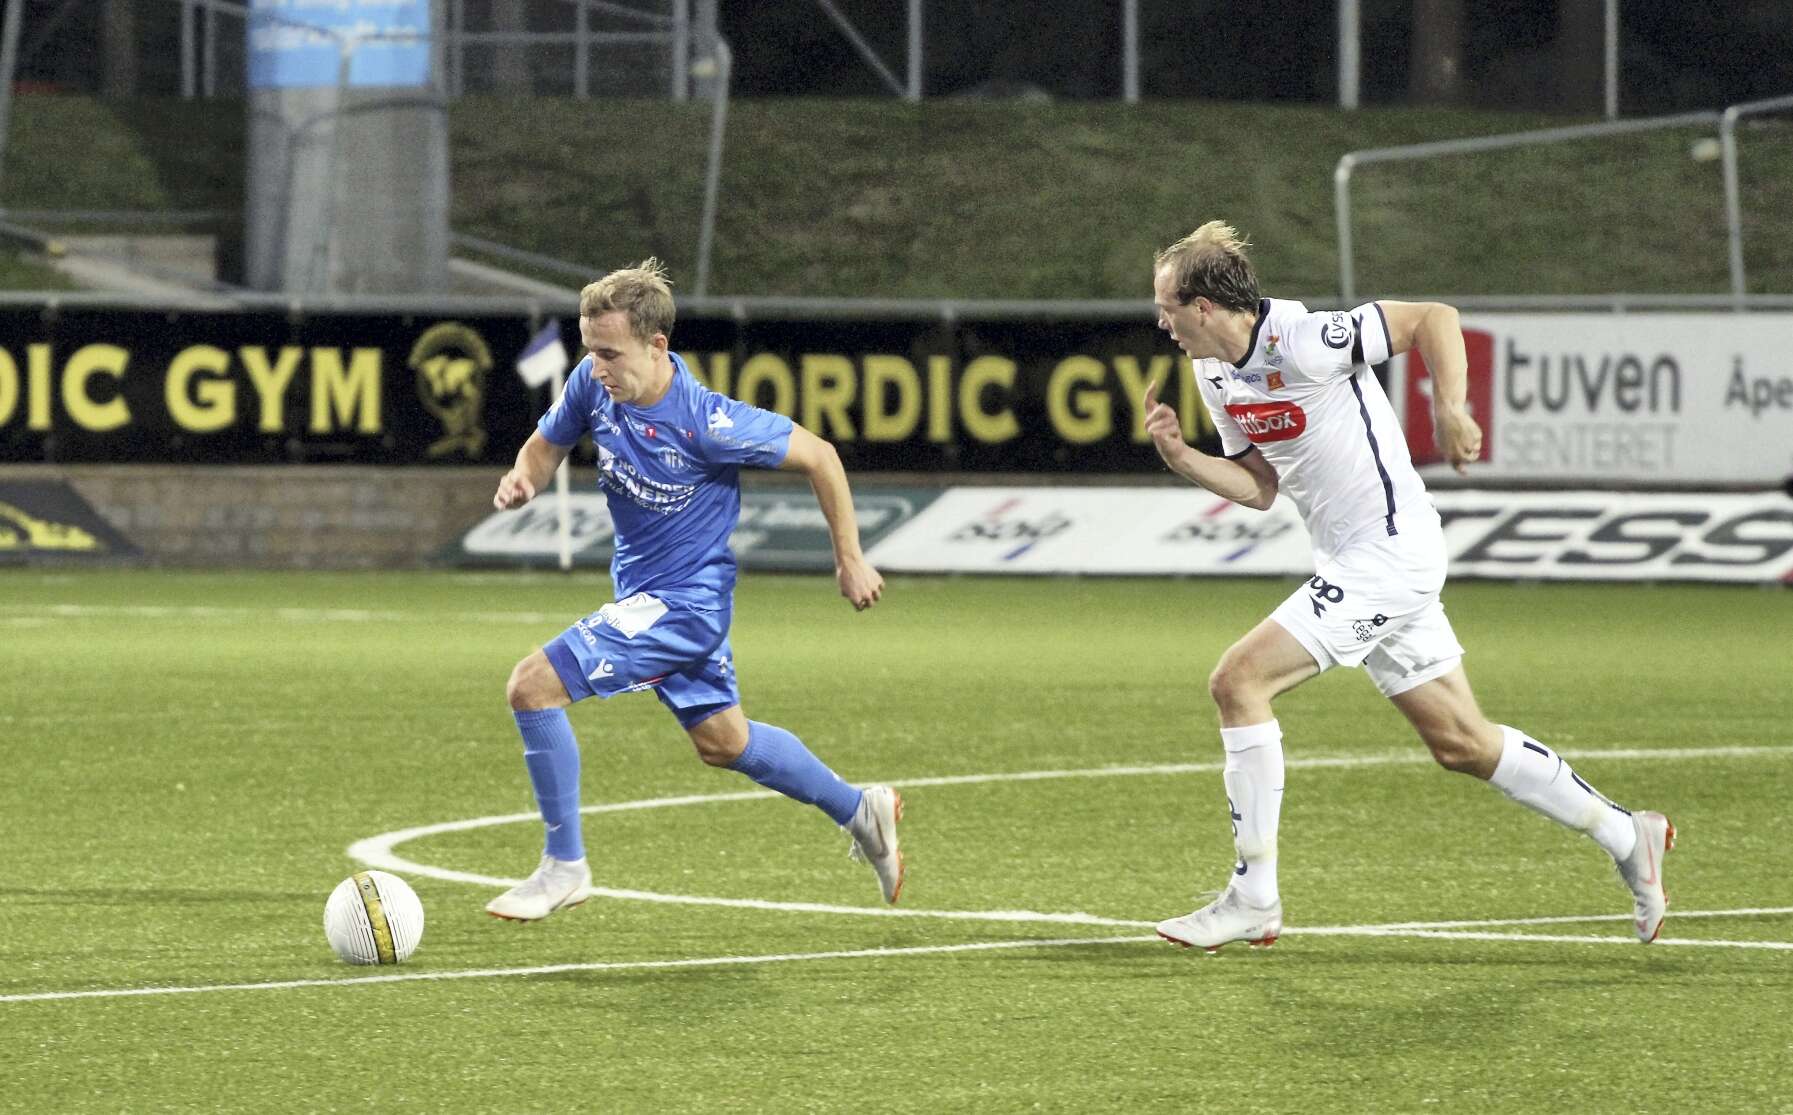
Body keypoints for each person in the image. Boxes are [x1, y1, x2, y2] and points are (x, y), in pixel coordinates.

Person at [1141, 221, 1673, 951]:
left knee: (1238, 681)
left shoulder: (1304, 339)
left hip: (1389, 554)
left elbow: (1432, 319)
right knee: (1461, 742)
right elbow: (1260, 486)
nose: (1160, 321)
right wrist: (1183, 458)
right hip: (1356, 563)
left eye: (1166, 306)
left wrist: (1450, 408)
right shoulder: (1215, 374)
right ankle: (1629, 835)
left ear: (1203, 306)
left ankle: (1253, 896)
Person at [484, 259, 903, 921]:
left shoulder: (709, 422)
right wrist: (523, 479)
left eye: (610, 354)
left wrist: (849, 559)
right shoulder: (592, 384)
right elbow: (544, 445)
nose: (597, 367)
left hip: (683, 608)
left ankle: (564, 866)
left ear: (657, 346)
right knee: (725, 743)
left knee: (531, 686)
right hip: (643, 598)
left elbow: (821, 455)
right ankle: (860, 809)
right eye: (590, 351)